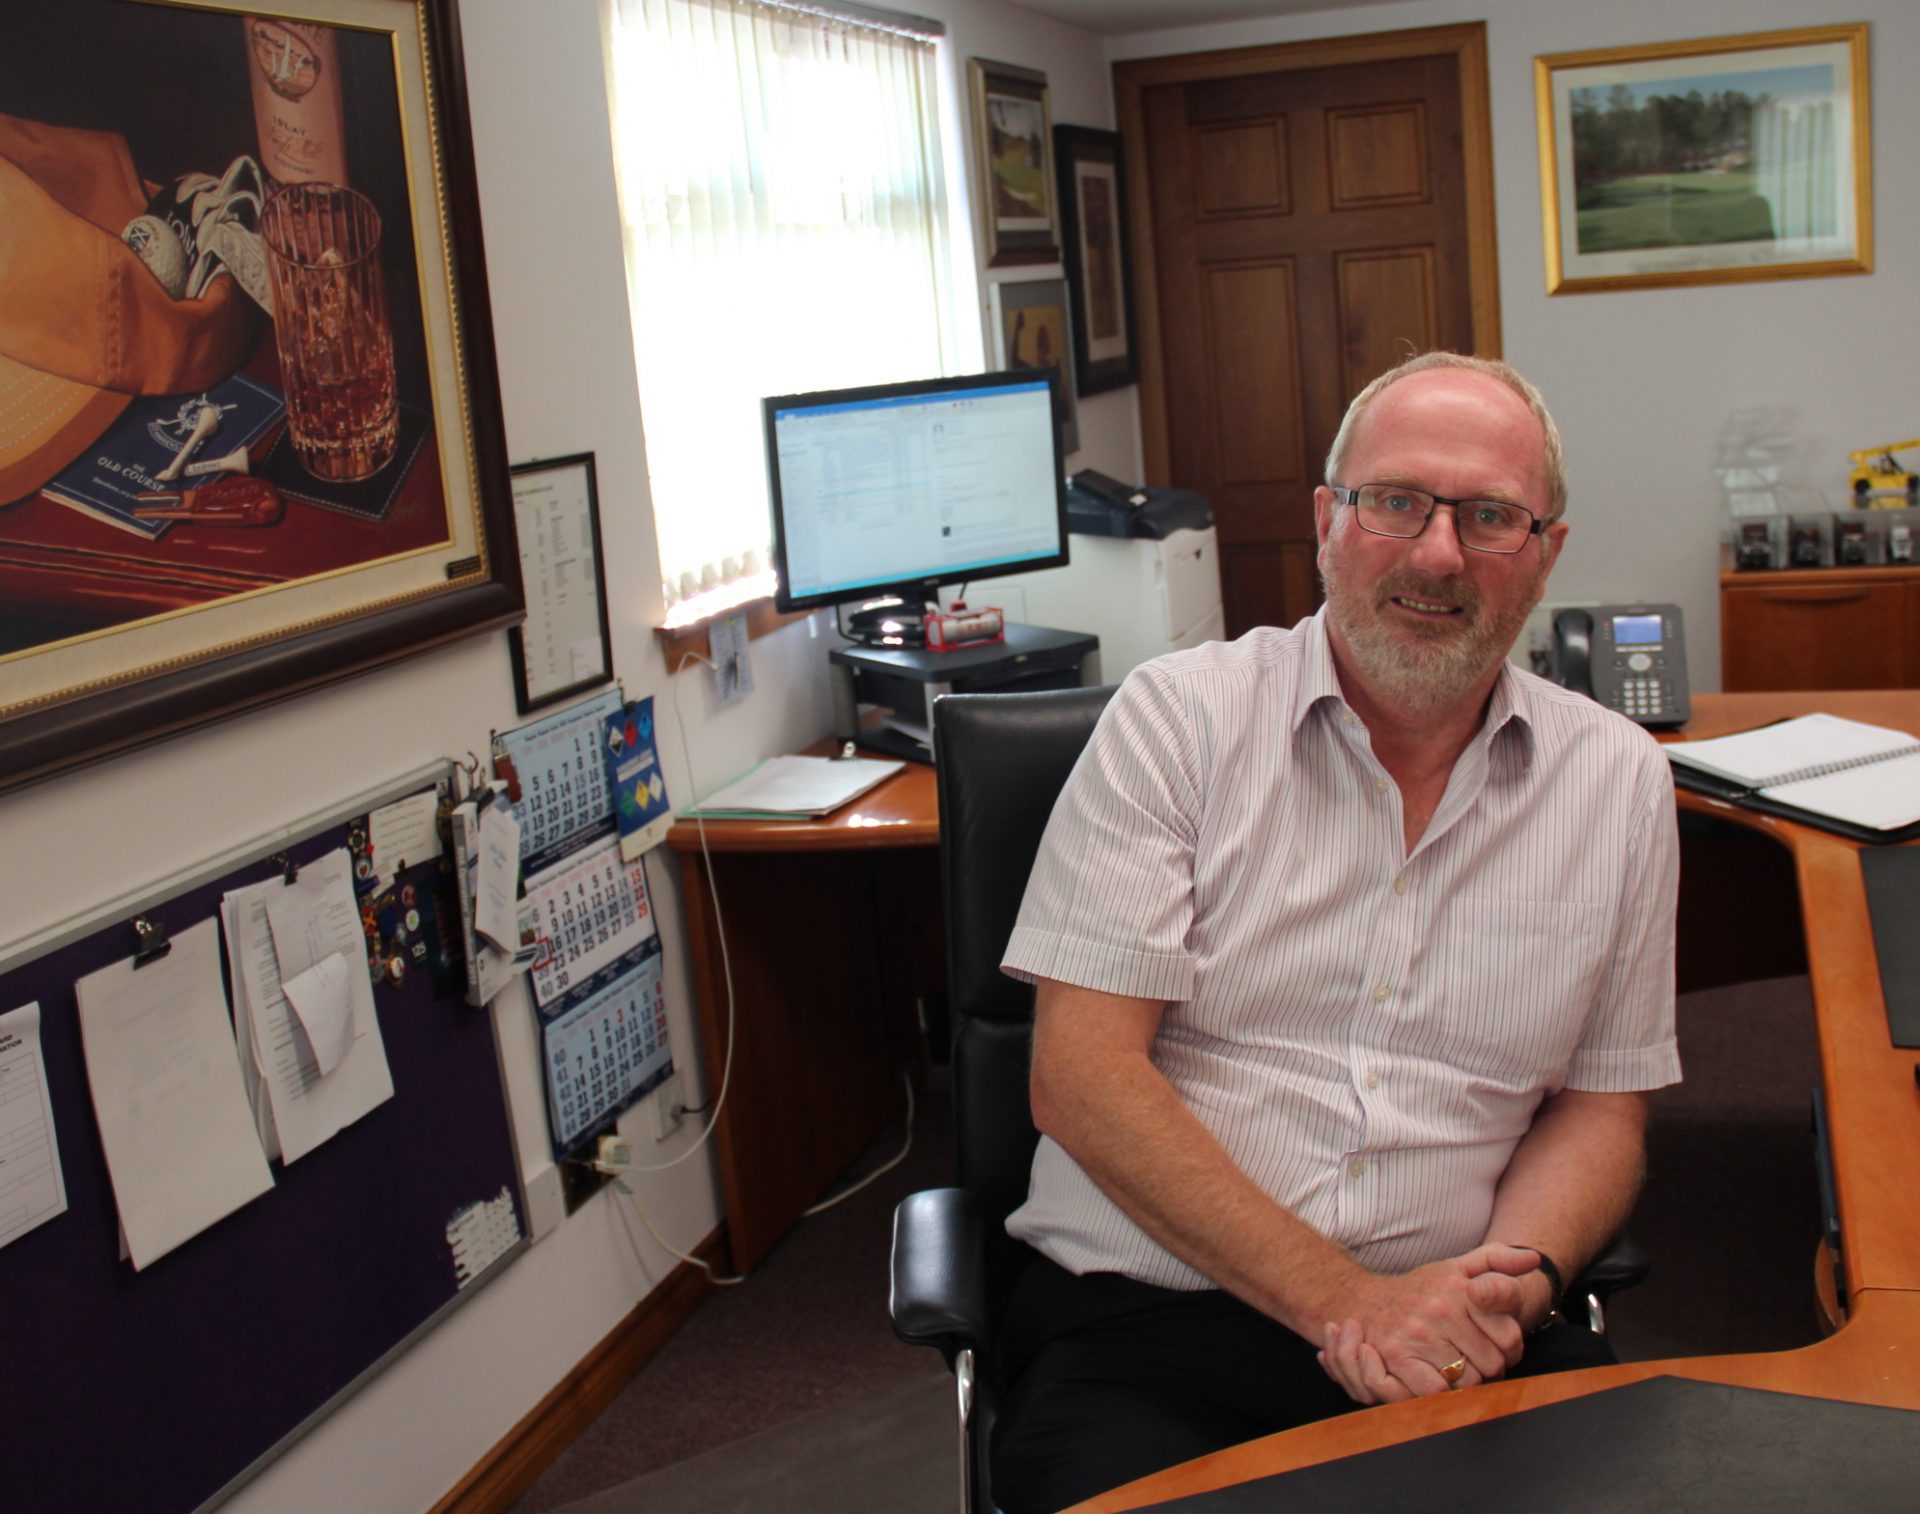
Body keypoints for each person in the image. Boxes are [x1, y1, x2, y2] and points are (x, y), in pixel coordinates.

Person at [990, 352, 1681, 1513]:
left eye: (1490, 516)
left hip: (1462, 1334)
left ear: (1546, 553)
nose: (1437, 552)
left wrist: (1518, 1281)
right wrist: (1345, 1300)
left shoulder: (1615, 780)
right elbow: (1080, 1076)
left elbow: (1603, 1106)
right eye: (1395, 500)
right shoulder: (1180, 723)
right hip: (1158, 1325)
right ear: (1327, 519)